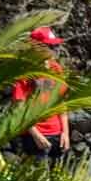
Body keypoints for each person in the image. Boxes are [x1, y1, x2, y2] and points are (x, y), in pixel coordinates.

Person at [13, 26, 69, 162]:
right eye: (49, 46)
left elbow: (61, 102)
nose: (53, 50)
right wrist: (36, 135)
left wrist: (66, 133)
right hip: (34, 136)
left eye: (54, 46)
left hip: (57, 134)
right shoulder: (25, 71)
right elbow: (19, 108)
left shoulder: (56, 68)